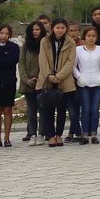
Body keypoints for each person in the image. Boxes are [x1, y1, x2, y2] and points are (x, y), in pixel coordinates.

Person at [38, 18, 77, 148]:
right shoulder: (45, 41)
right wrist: (48, 75)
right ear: (52, 28)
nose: (60, 30)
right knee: (48, 109)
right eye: (57, 28)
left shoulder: (70, 42)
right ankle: (50, 135)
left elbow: (70, 62)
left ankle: (59, 134)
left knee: (61, 109)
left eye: (62, 28)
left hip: (64, 80)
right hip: (47, 79)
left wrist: (59, 76)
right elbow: (42, 60)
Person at [74, 26, 100, 145]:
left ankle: (93, 134)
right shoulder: (78, 50)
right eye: (89, 36)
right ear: (84, 37)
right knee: (86, 108)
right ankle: (85, 134)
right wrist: (79, 77)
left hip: (98, 83)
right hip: (83, 83)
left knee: (94, 109)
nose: (91, 38)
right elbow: (73, 66)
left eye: (93, 36)